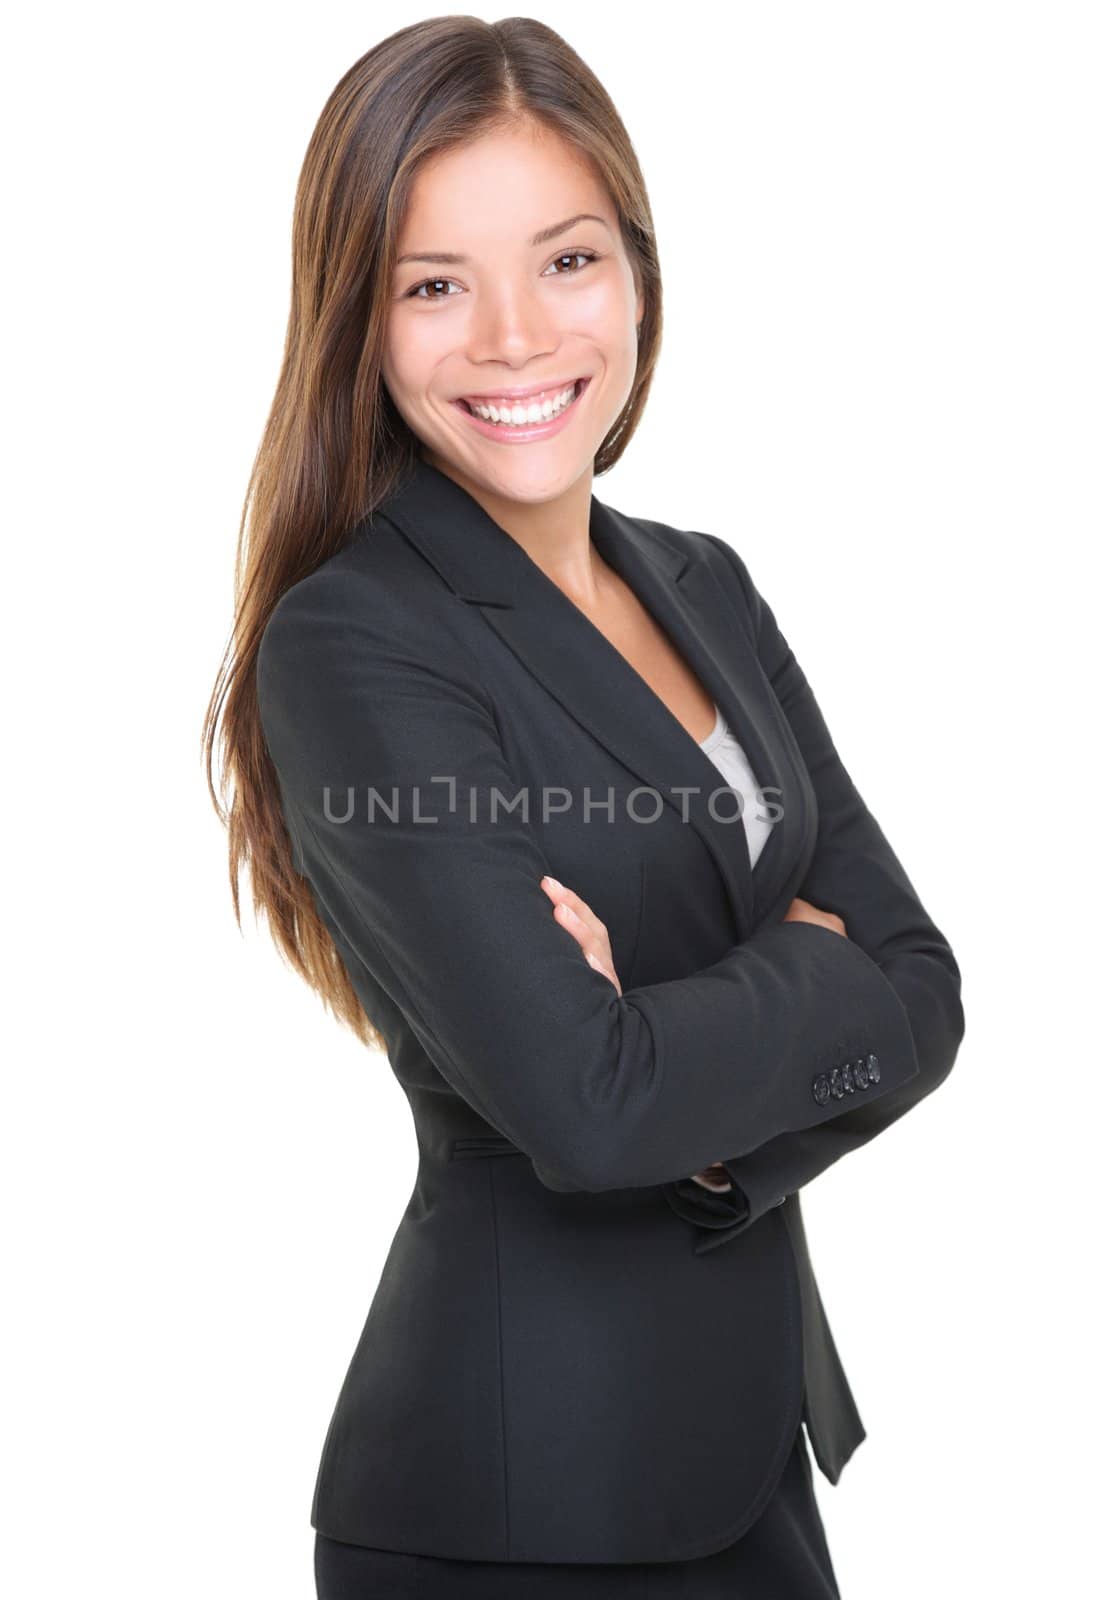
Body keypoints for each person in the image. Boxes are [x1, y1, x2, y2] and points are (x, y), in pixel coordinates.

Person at [205, 17, 965, 1597]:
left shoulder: (703, 583)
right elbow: (586, 1103)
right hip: (522, 1504)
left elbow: (928, 992)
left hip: (749, 1459)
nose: (511, 335)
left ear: (636, 272)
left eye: (564, 261)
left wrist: (690, 1094)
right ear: (362, 319)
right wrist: (806, 973)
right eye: (434, 284)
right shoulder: (356, 645)